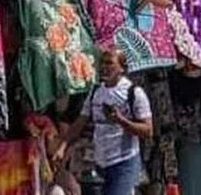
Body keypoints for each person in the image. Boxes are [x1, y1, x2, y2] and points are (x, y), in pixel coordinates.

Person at [55, 49, 154, 195]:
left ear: (122, 68)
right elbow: (80, 121)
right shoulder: (96, 91)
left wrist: (121, 120)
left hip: (123, 162)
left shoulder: (134, 93)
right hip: (99, 163)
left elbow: (148, 131)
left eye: (109, 63)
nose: (104, 67)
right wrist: (63, 146)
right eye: (102, 62)